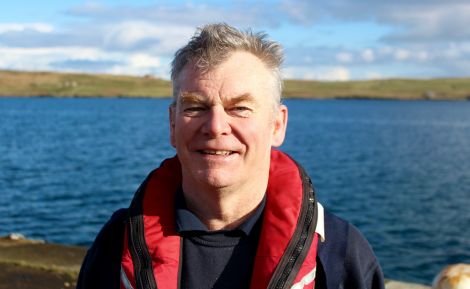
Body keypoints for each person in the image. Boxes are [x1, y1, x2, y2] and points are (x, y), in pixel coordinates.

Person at [77, 23, 384, 289]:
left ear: (277, 125)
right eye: (196, 106)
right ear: (173, 124)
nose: (215, 126)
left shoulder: (340, 255)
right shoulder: (117, 245)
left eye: (240, 108)